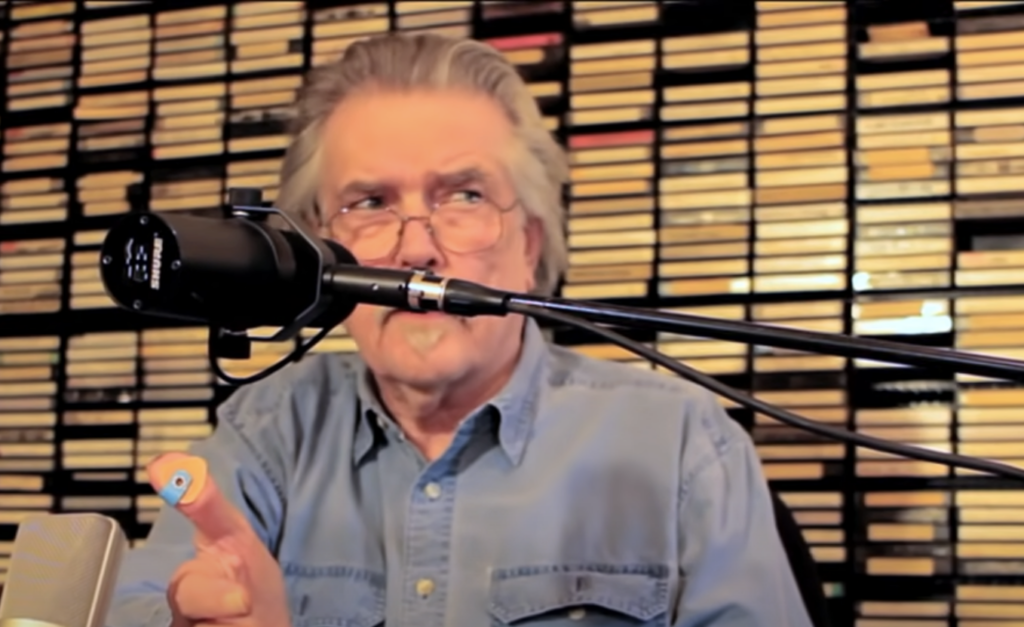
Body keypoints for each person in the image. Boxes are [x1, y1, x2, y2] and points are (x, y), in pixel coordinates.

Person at [107, 32, 814, 627]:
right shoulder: (264, 431)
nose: (416, 249)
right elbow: (142, 596)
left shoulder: (684, 444)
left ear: (529, 244)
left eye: (465, 196)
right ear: (316, 251)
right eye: (371, 202)